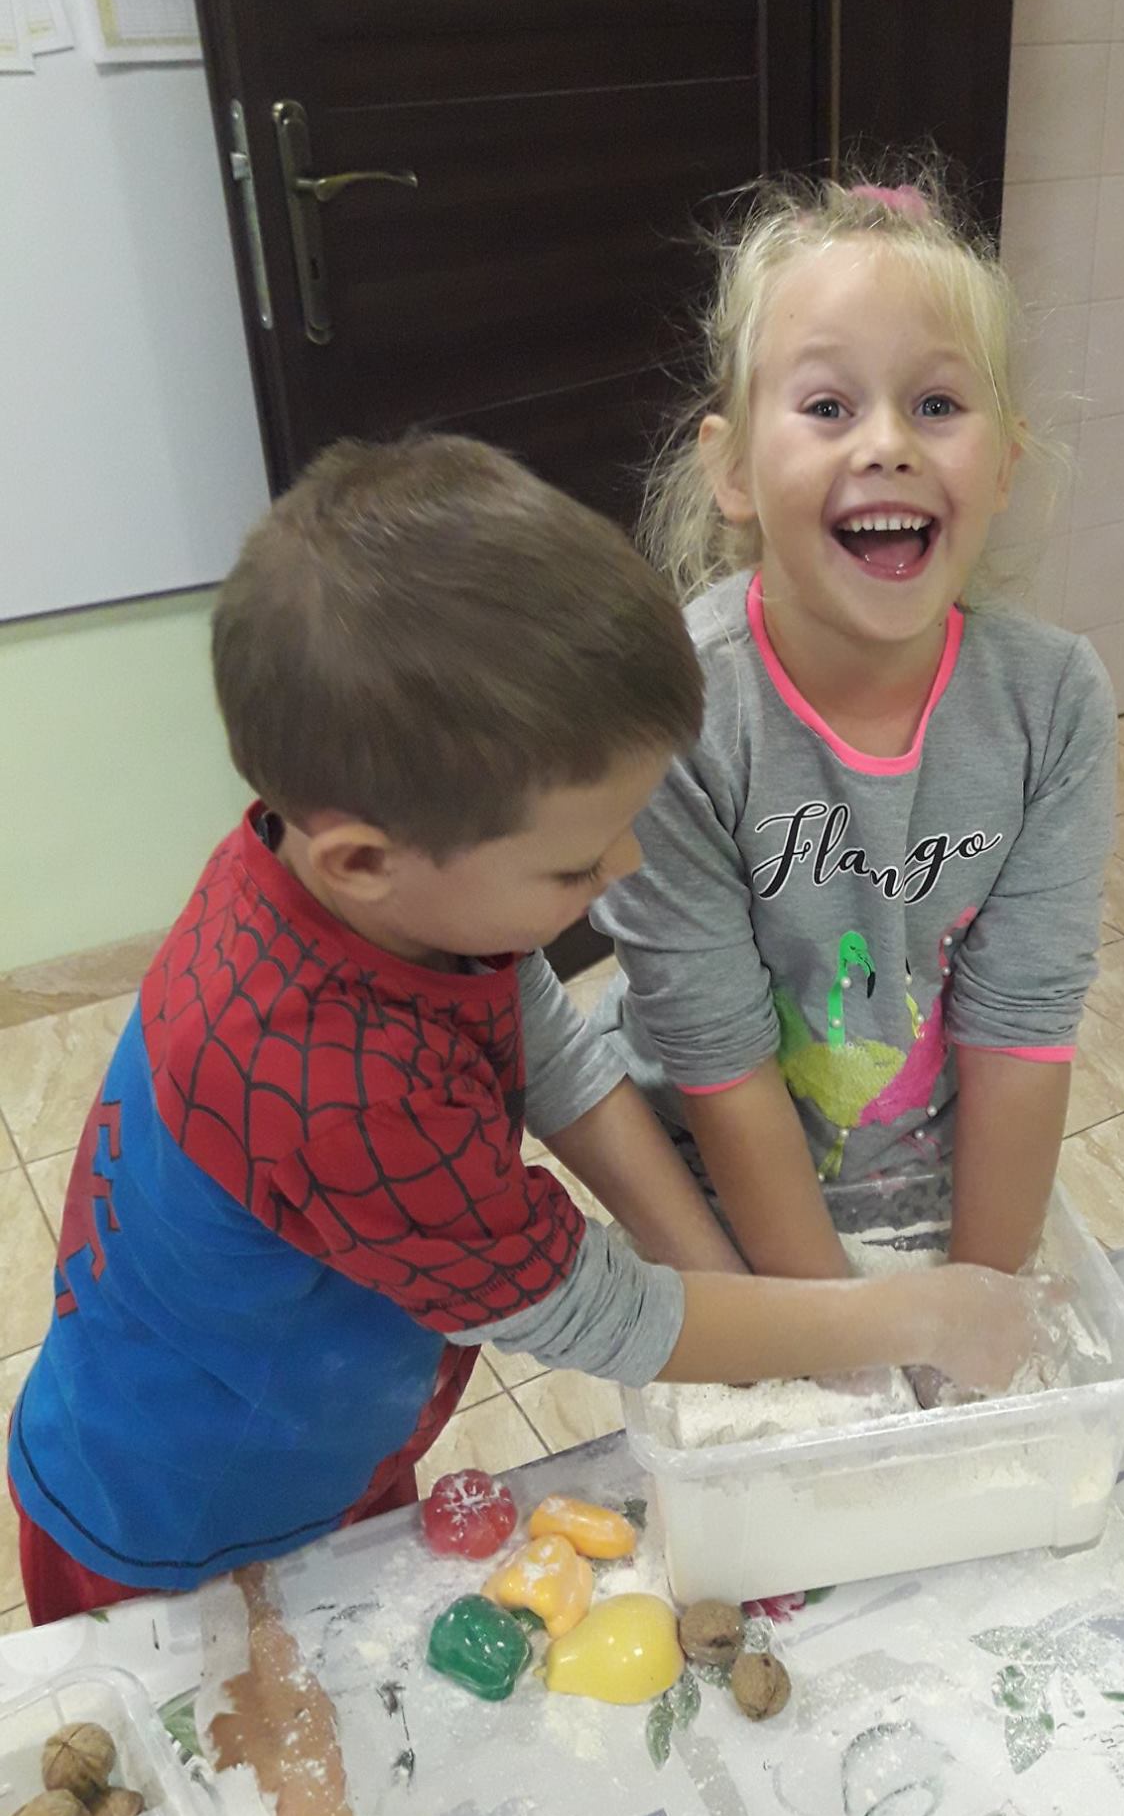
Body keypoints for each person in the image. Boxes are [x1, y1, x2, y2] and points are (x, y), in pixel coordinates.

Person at [6, 434, 1049, 1626]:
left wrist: (734, 1283)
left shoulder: (357, 874)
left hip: (320, 1414)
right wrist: (904, 1313)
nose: (626, 865)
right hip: (184, 1515)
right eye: (573, 864)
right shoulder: (339, 1084)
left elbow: (538, 1034)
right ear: (364, 859)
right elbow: (588, 1307)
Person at [593, 173, 1117, 1280]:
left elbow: (1020, 1030)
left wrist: (978, 1300)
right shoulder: (676, 711)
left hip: (924, 1177)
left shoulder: (1054, 703)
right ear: (732, 468)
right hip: (715, 1192)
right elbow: (720, 1058)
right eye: (829, 407)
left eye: (937, 405)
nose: (887, 444)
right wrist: (843, 1334)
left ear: (1006, 464)